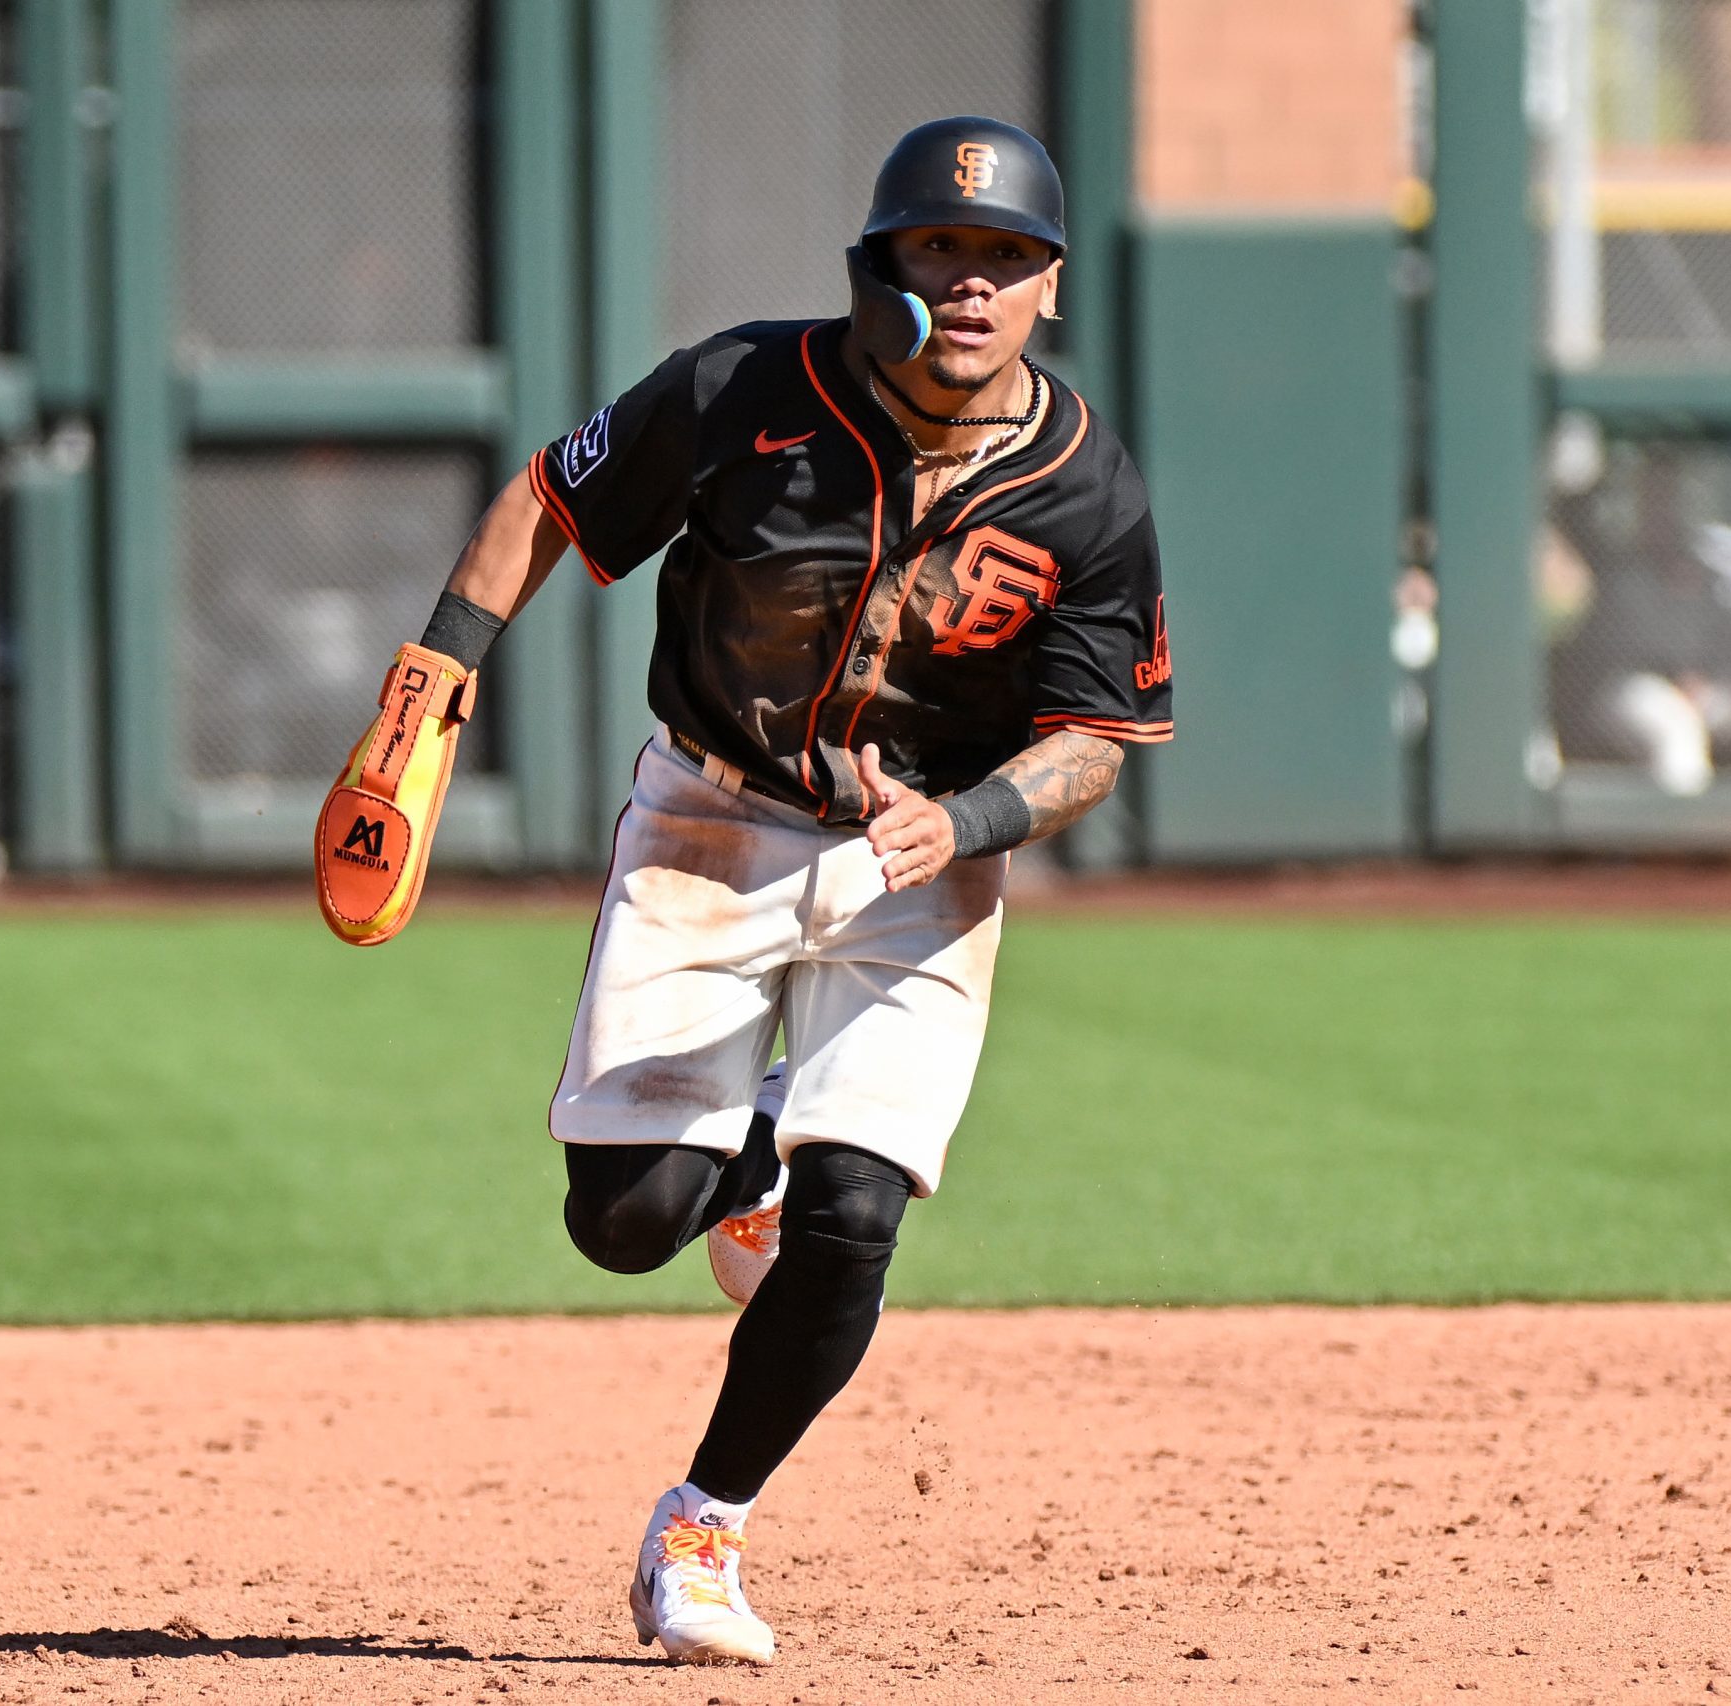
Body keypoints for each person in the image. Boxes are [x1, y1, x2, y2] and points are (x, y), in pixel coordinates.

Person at [329, 116, 1172, 1666]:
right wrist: (434, 672)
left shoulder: (1085, 489)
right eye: (940, 247)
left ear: (1050, 285)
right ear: (877, 265)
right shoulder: (742, 389)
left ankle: (704, 1524)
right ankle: (755, 1152)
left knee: (857, 1215)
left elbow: (1094, 740)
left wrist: (971, 818)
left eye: (1006, 257)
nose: (971, 283)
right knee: (627, 1218)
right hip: (712, 818)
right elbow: (549, 502)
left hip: (922, 854)